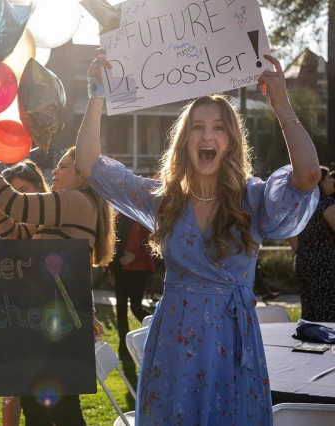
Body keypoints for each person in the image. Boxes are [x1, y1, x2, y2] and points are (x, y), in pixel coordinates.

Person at [76, 50, 320, 424]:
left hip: (234, 346)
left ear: (232, 140)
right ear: (185, 139)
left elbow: (306, 176)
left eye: (219, 127)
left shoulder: (254, 199)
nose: (208, 134)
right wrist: (96, 92)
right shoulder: (163, 200)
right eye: (198, 126)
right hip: (174, 346)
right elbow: (89, 163)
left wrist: (282, 104)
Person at [0, 146, 115, 426]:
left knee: (61, 409)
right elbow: (14, 233)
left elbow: (15, 203)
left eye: (63, 167)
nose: (55, 171)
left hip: (56, 323)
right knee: (37, 405)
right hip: (45, 320)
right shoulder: (67, 205)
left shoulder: (75, 200)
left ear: (82, 175)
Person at [0, 159, 50, 426]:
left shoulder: (48, 220)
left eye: (25, 188)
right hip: (8, 313)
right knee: (11, 385)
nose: (18, 196)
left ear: (40, 187)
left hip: (40, 318)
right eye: (12, 190)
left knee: (42, 392)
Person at [292, 166, 335, 321]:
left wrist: (300, 253)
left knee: (309, 313)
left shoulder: (302, 205)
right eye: (329, 176)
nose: (332, 180)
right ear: (321, 182)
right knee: (327, 313)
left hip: (304, 261)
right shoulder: (326, 203)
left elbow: (292, 233)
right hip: (325, 265)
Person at [109, 212, 154, 356]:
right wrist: (111, 270)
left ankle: (158, 330)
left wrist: (134, 256)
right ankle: (124, 348)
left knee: (136, 307)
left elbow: (151, 245)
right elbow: (112, 244)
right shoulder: (117, 217)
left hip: (138, 269)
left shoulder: (142, 217)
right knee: (121, 308)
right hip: (121, 268)